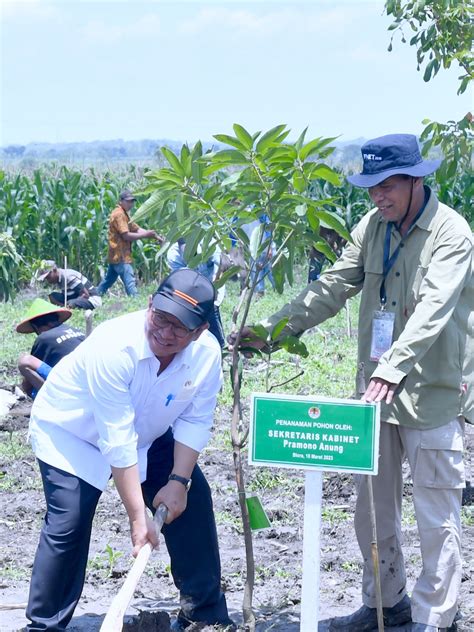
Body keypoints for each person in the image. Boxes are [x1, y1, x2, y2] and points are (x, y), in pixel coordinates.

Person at [229, 134, 473, 632]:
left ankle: (435, 618)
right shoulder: (372, 227)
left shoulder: (452, 233)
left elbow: (433, 309)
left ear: (416, 179)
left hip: (434, 393)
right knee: (371, 511)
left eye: (387, 185)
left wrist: (393, 365)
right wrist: (271, 334)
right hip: (375, 396)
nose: (378, 196)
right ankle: (385, 603)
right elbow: (333, 286)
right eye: (371, 188)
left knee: (436, 513)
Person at [25, 269, 235, 632]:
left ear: (200, 330)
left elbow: (195, 420)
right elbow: (116, 438)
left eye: (179, 328)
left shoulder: (207, 354)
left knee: (193, 500)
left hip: (147, 434)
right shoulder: (114, 344)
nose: (165, 333)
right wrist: (139, 519)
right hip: (72, 431)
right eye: (161, 318)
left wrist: (178, 481)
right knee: (69, 521)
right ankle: (43, 626)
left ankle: (204, 616)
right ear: (149, 304)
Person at [97, 189, 162, 297]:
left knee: (107, 281)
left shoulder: (124, 213)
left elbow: (136, 229)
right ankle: (135, 301)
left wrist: (154, 235)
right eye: (128, 201)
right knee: (130, 281)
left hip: (115, 255)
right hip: (120, 255)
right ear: (121, 201)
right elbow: (126, 235)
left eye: (132, 201)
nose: (131, 204)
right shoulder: (119, 215)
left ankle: (95, 296)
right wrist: (146, 235)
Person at [15, 298, 85, 399]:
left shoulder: (44, 337)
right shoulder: (74, 330)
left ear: (36, 326)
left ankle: (51, 403)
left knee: (25, 361)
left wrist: (24, 389)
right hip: (92, 380)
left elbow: (29, 378)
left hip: (73, 384)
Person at [167, 238, 226, 347]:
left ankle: (220, 345)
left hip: (214, 284)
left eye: (193, 254)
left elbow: (220, 268)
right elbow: (181, 279)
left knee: (212, 314)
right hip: (191, 289)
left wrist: (214, 288)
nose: (190, 258)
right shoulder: (173, 255)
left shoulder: (209, 244)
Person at [36, 260, 102, 310]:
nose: (48, 280)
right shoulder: (59, 278)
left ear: (55, 270)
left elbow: (85, 294)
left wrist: (72, 303)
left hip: (91, 299)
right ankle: (65, 308)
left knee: (71, 303)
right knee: (52, 296)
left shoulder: (68, 277)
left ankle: (68, 308)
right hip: (75, 296)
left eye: (48, 277)